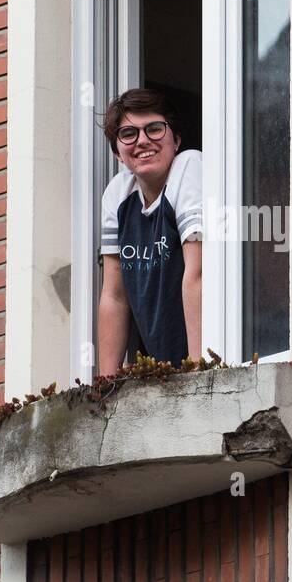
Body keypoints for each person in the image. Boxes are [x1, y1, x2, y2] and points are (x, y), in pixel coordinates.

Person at [97, 88, 203, 373]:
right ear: (118, 153)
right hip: (163, 372)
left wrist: (199, 372)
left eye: (154, 129)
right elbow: (114, 296)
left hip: (205, 361)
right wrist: (103, 391)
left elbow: (199, 272)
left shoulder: (190, 166)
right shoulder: (118, 194)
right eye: (129, 134)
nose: (142, 140)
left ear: (176, 139)